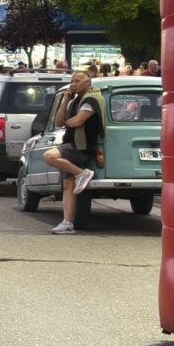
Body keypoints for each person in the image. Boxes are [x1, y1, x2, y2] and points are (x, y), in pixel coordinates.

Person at [43, 71, 102, 234]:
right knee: (67, 185)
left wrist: (67, 122)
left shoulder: (91, 100)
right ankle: (67, 223)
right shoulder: (74, 101)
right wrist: (65, 100)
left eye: (77, 81)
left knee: (49, 156)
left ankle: (82, 173)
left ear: (87, 83)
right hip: (70, 142)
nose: (73, 84)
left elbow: (77, 121)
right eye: (72, 81)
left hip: (80, 146)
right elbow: (58, 122)